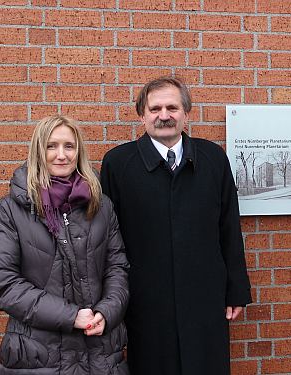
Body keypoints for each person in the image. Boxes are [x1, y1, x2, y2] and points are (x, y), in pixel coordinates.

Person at [100, 76, 252, 375]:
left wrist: (236, 289)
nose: (164, 115)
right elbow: (107, 238)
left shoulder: (213, 159)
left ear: (186, 113)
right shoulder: (118, 164)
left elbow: (229, 228)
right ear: (142, 114)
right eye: (155, 108)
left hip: (204, 296)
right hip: (145, 299)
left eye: (172, 107)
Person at [0, 115, 129, 374]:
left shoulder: (101, 206)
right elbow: (5, 282)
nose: (61, 155)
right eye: (51, 146)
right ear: (39, 150)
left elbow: (117, 268)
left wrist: (107, 311)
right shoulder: (12, 209)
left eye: (69, 146)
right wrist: (71, 317)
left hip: (99, 354)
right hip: (38, 356)